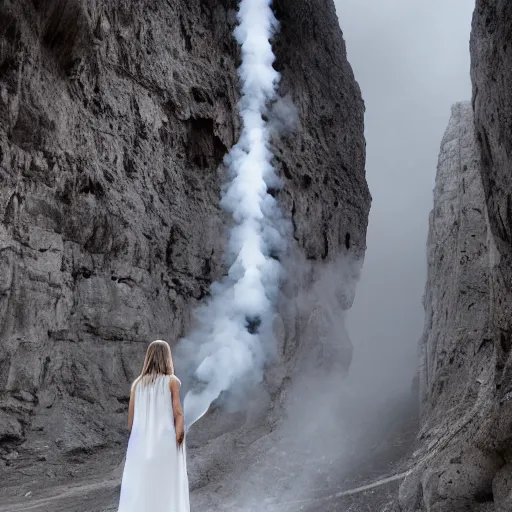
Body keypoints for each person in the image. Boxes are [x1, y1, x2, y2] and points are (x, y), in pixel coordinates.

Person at [117, 340, 190, 512]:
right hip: (164, 441)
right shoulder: (172, 381)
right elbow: (178, 413)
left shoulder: (137, 384)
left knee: (141, 484)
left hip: (139, 442)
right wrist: (179, 438)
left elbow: (131, 420)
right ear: (167, 357)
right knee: (166, 483)